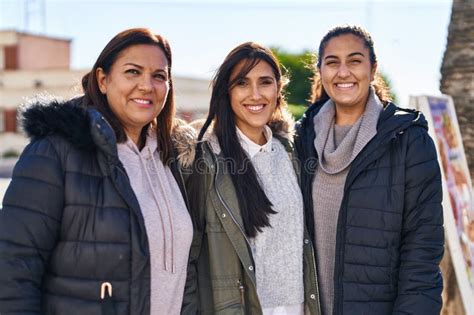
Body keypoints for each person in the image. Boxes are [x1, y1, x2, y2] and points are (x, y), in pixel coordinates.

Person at [0, 28, 196, 314]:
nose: (146, 85)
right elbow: (13, 264)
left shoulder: (174, 159)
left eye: (159, 76)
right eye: (133, 72)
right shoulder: (56, 152)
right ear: (103, 80)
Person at [295, 25, 444, 314]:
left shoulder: (409, 141)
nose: (343, 72)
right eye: (332, 62)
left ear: (373, 69)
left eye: (354, 61)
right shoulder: (302, 140)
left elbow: (422, 253)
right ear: (321, 71)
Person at [181, 42, 321, 314]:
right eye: (242, 83)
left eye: (265, 82)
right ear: (227, 92)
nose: (255, 94)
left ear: (278, 89)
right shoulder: (205, 160)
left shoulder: (292, 153)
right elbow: (189, 255)